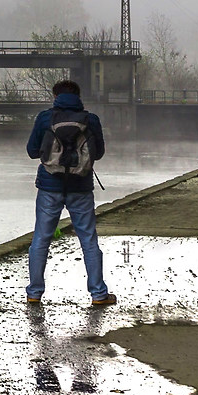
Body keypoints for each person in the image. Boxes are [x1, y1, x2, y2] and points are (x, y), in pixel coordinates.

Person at [24, 79, 116, 305]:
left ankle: (34, 293)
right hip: (81, 187)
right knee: (88, 240)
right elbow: (99, 153)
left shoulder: (45, 118)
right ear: (78, 97)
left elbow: (32, 151)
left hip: (49, 186)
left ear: (55, 97)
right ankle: (98, 294)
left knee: (41, 239)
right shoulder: (91, 120)